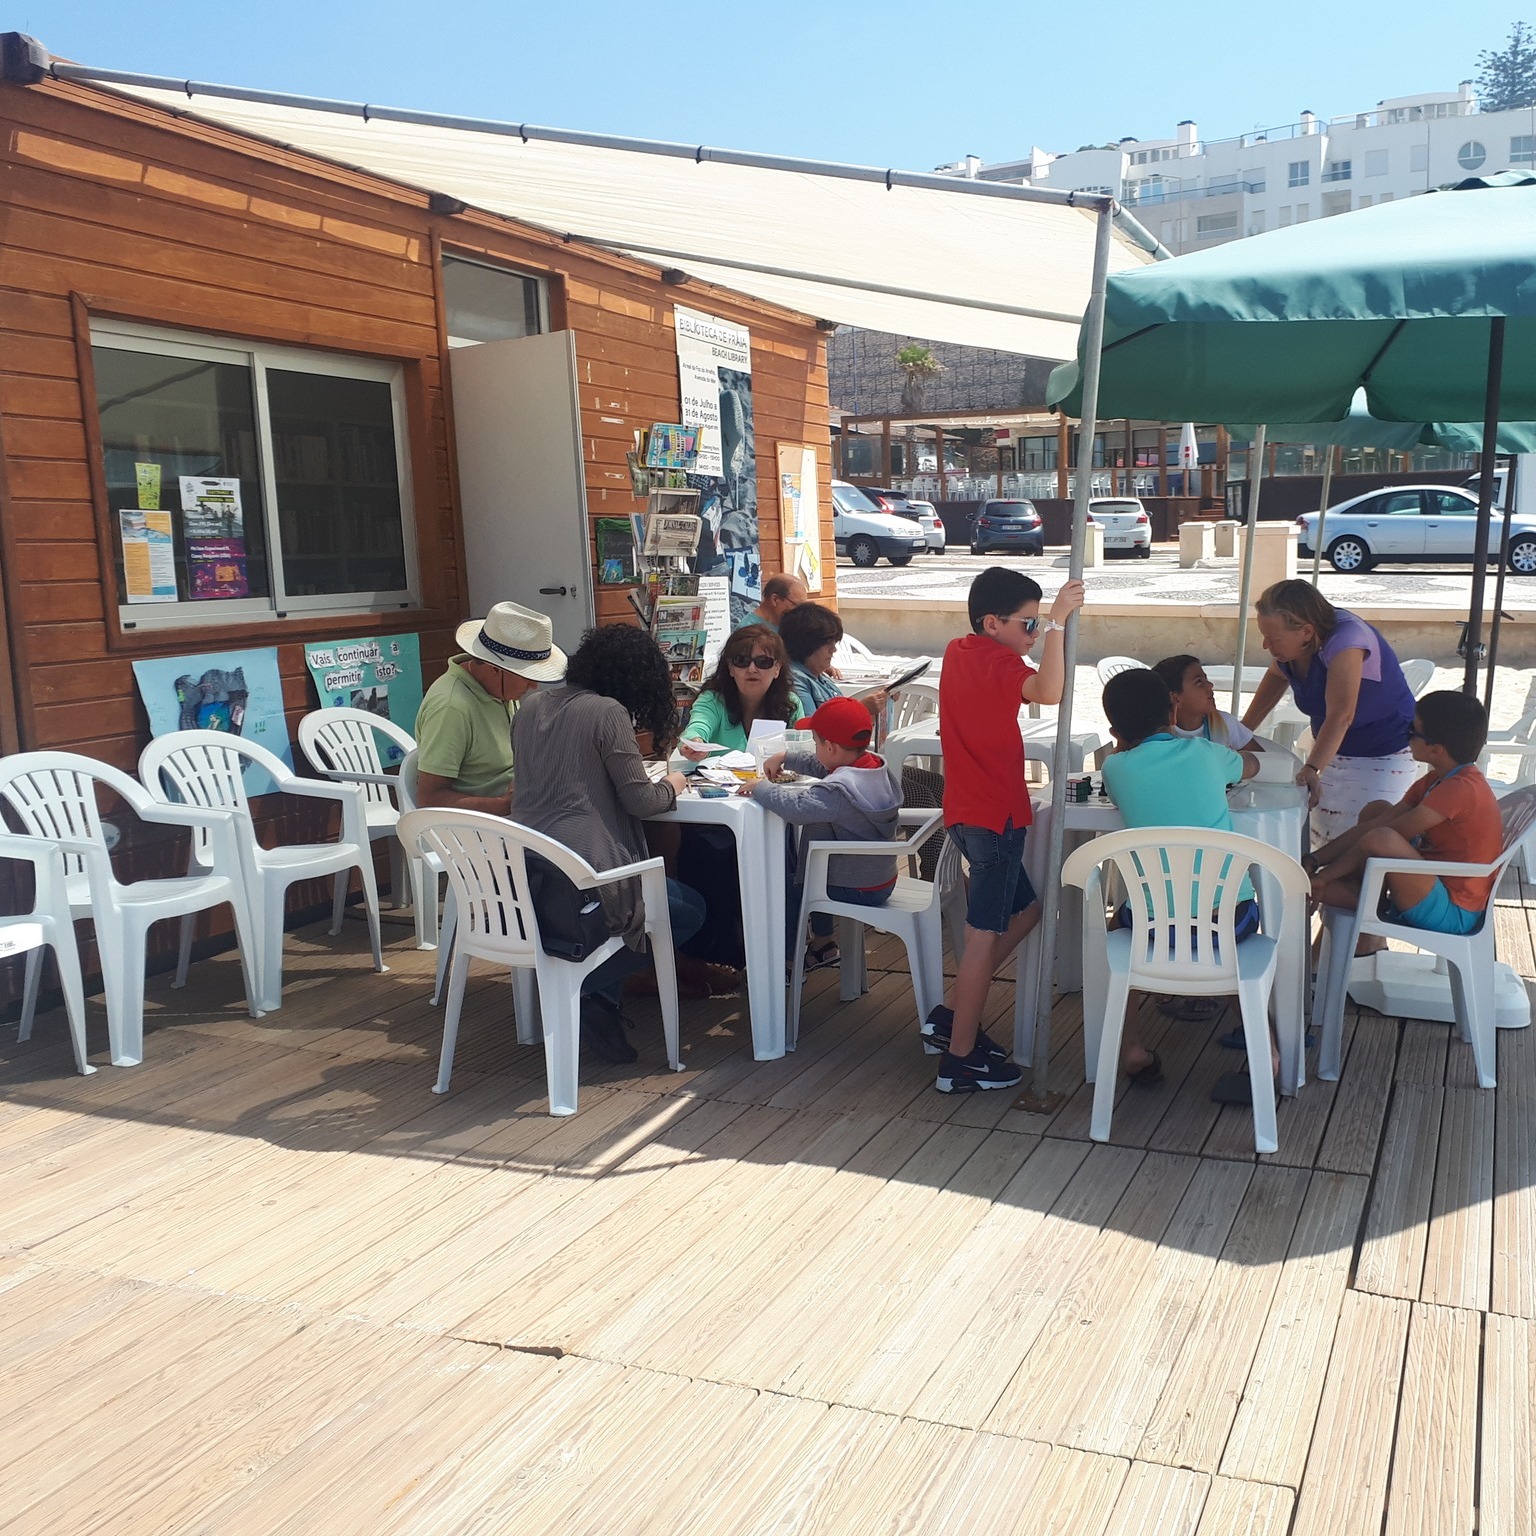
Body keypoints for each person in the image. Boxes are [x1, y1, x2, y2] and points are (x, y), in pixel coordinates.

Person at [510, 624, 705, 1065]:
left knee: (659, 898)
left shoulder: (529, 706)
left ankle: (602, 1002)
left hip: (527, 871)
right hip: (586, 871)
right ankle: (590, 988)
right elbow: (643, 801)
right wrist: (679, 777)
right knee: (690, 908)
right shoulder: (608, 712)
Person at [923, 566, 1086, 1094]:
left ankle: (952, 1016)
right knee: (980, 938)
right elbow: (1050, 690)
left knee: (1030, 909)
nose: (1034, 634)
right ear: (992, 623)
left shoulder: (959, 651)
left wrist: (1044, 626)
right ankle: (961, 1059)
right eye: (1029, 624)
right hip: (996, 817)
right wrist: (1060, 625)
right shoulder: (999, 659)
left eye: (1039, 625)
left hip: (968, 813)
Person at [1100, 667, 1264, 1088]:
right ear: (1173, 709)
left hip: (1152, 929)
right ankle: (1271, 1051)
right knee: (1227, 955)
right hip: (1227, 920)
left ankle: (1132, 1046)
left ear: (1116, 729)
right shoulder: (1209, 755)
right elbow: (1250, 764)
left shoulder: (1116, 769)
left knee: (1120, 928)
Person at [1307, 691, 1502, 939]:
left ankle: (1354, 896)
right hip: (1434, 884)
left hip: (1454, 909)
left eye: (1412, 731)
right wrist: (1314, 859)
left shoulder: (1460, 789)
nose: (1406, 737)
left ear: (1435, 749)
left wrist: (1324, 875)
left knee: (1382, 838)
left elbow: (1381, 838)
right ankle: (1358, 893)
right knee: (1376, 810)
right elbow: (1379, 822)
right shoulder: (1438, 779)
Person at [1241, 581, 1417, 845]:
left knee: (1356, 844)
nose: (1266, 645)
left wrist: (1312, 767)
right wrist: (1242, 732)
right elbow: (1277, 677)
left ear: (1307, 632)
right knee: (1322, 840)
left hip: (1384, 752)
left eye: (1274, 638)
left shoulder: (1347, 640)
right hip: (1333, 752)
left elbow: (1341, 714)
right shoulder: (1294, 649)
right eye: (1263, 635)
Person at [740, 694, 903, 962]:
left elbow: (797, 809)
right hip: (878, 878)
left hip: (858, 886)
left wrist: (761, 787)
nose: (815, 749)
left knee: (790, 888)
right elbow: (826, 767)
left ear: (829, 747)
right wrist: (787, 757)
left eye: (816, 743)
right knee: (817, 866)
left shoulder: (840, 791)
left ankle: (787, 962)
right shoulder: (870, 767)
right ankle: (824, 944)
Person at [413, 602, 565, 814]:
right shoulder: (451, 706)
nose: (534, 686)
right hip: (480, 831)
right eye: (526, 676)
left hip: (518, 810)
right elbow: (429, 799)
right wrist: (505, 804)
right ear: (495, 669)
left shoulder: (498, 690)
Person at [679, 625, 804, 760]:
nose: (752, 669)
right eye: (741, 661)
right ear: (730, 668)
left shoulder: (790, 703)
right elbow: (698, 725)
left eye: (763, 662)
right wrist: (696, 742)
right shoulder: (712, 700)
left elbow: (803, 748)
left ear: (777, 669)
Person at [779, 602, 885, 722]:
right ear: (807, 644)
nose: (834, 649)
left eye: (834, 643)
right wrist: (862, 708)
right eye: (828, 643)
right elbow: (812, 730)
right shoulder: (795, 680)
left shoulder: (820, 676)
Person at [1151, 654, 1266, 753]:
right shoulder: (1155, 734)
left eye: (1206, 679)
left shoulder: (1224, 723)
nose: (1210, 685)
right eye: (1199, 682)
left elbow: (1262, 760)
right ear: (1175, 698)